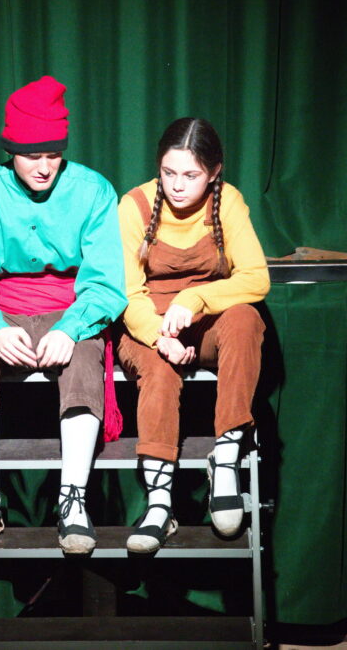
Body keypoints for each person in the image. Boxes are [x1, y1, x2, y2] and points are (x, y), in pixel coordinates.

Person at [0, 76, 126, 554]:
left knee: (84, 362)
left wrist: (72, 327)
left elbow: (106, 280)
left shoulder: (93, 190)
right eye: (32, 156)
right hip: (1, 308)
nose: (44, 167)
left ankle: (73, 501)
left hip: (70, 308)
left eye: (53, 155)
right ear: (11, 152)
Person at [116, 117, 269, 552]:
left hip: (203, 321)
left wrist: (196, 298)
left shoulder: (228, 201)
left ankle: (226, 458)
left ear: (214, 172)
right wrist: (158, 336)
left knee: (245, 319)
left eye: (191, 175)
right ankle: (159, 503)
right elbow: (127, 293)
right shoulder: (134, 206)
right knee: (159, 370)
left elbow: (256, 278)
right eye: (169, 172)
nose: (178, 185)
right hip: (147, 325)